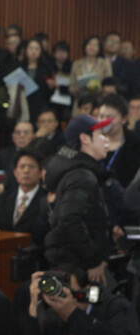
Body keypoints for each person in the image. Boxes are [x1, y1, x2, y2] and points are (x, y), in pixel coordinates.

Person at [43, 114, 112, 287]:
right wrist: (93, 260)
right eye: (101, 135)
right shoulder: (81, 176)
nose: (106, 140)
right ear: (85, 139)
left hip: (72, 262)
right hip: (78, 267)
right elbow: (69, 221)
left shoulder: (78, 172)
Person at [20, 268, 140, 335]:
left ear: (87, 290)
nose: (63, 297)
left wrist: (73, 316)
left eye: (70, 290)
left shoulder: (117, 308)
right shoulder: (53, 316)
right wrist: (34, 308)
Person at [0, 148, 45, 237]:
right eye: (22, 167)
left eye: (31, 167)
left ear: (41, 173)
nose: (26, 171)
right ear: (15, 172)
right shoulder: (1, 199)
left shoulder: (46, 200)